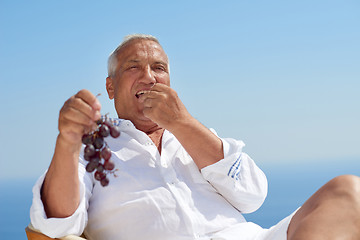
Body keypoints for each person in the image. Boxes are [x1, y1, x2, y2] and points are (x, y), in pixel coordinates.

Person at [30, 34, 360, 240]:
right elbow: (56, 227)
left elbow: (252, 196)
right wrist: (67, 141)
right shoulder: (92, 149)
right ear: (111, 87)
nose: (149, 76)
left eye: (158, 68)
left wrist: (183, 123)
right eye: (134, 67)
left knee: (347, 191)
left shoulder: (195, 135)